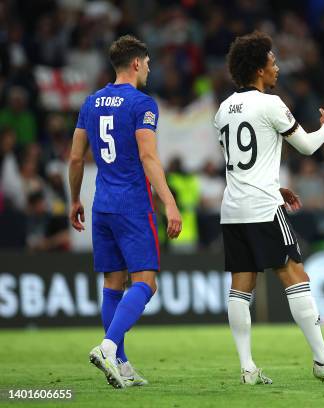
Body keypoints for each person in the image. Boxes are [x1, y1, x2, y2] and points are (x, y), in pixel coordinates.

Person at [214, 31, 324, 385]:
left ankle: (248, 367)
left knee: (241, 286)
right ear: (258, 69)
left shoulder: (222, 110)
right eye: (272, 61)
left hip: (233, 208)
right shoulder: (271, 104)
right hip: (263, 209)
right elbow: (309, 147)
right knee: (297, 276)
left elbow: (242, 163)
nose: (277, 67)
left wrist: (275, 184)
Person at [68, 35, 182, 389]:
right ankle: (107, 348)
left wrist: (75, 199)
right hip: (133, 204)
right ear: (136, 63)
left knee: (113, 284)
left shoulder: (91, 102)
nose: (149, 68)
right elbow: (148, 157)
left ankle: (122, 363)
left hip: (101, 204)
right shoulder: (142, 104)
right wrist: (170, 201)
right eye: (147, 62)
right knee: (146, 283)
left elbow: (75, 158)